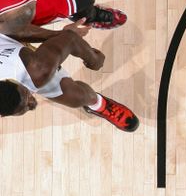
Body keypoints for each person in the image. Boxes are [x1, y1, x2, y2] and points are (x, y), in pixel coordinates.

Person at [0, 19, 139, 131]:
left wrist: (93, 60)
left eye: (28, 97)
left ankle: (98, 103)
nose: (32, 102)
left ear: (11, 81)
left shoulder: (36, 69)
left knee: (79, 97)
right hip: (17, 62)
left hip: (16, 52)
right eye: (25, 106)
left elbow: (70, 39)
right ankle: (97, 104)